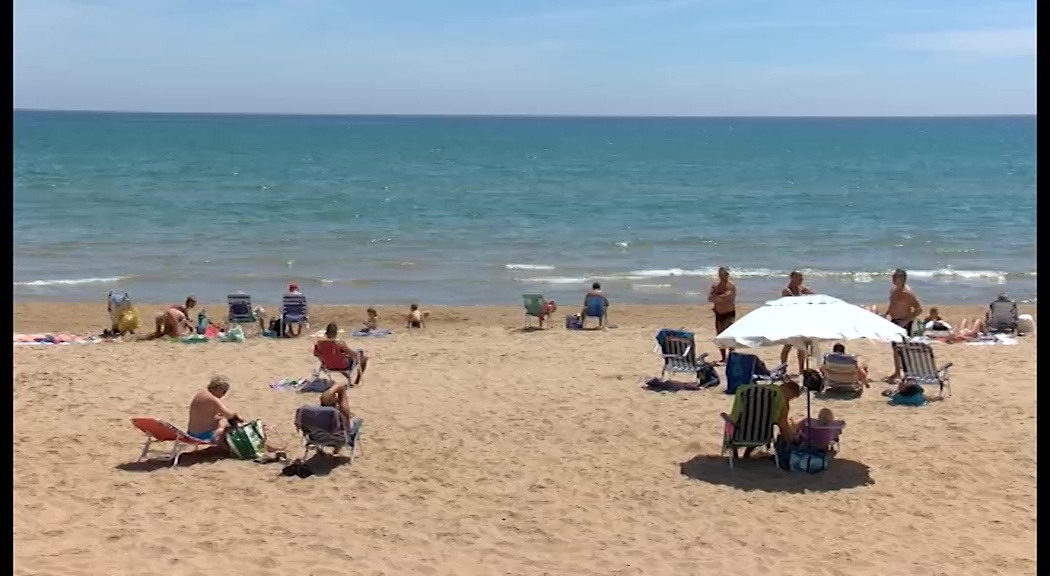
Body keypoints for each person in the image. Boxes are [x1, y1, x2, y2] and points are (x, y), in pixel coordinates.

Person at [735, 380, 801, 460]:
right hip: (761, 436)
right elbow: (782, 424)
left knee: (737, 424)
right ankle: (747, 454)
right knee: (759, 427)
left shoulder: (749, 393)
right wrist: (790, 440)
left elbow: (735, 415)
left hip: (739, 434)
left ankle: (735, 455)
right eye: (792, 397)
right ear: (790, 392)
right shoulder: (782, 402)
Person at [886, 269, 923, 380]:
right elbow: (892, 304)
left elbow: (918, 309)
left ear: (902, 278)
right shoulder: (893, 290)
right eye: (892, 276)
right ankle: (897, 372)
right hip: (894, 320)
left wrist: (906, 321)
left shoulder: (907, 293)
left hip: (904, 321)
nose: (892, 279)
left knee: (903, 349)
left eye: (895, 277)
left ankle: (907, 373)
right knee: (895, 348)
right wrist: (887, 314)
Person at [187, 375, 239, 447]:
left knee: (220, 424)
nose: (224, 394)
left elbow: (203, 416)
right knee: (230, 429)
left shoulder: (201, 394)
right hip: (202, 435)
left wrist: (216, 419)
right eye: (223, 391)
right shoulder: (212, 399)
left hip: (191, 433)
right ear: (218, 389)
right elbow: (230, 415)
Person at [779, 272, 813, 374]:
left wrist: (809, 293)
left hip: (802, 321)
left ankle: (801, 370)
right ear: (792, 278)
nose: (801, 280)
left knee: (802, 347)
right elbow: (793, 302)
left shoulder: (802, 289)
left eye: (802, 278)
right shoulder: (787, 291)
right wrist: (804, 294)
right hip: (790, 322)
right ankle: (783, 367)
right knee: (787, 346)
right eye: (799, 278)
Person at [707, 266, 737, 363]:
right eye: (723, 274)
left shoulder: (731, 285)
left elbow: (728, 297)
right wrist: (719, 298)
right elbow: (710, 298)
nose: (725, 276)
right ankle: (723, 357)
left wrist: (718, 297)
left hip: (729, 313)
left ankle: (732, 356)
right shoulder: (715, 285)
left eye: (727, 274)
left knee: (729, 335)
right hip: (719, 313)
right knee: (720, 336)